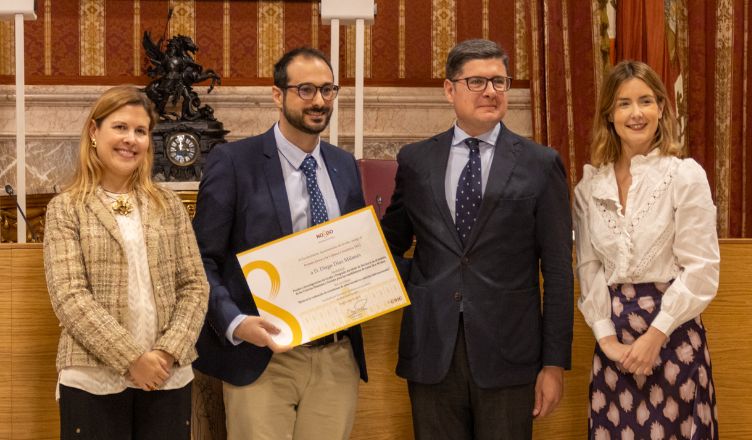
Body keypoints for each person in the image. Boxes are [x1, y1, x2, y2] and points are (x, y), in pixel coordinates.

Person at [380, 39, 574, 440]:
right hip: (433, 352)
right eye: (476, 81)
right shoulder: (416, 161)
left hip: (510, 356)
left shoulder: (541, 164)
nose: (490, 91)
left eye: (499, 81)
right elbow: (388, 244)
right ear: (449, 89)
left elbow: (557, 273)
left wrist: (554, 364)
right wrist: (421, 279)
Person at [192, 47, 367, 440]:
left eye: (328, 90)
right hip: (262, 356)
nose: (319, 101)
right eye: (305, 90)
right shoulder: (234, 162)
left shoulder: (344, 167)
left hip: (336, 357)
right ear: (278, 95)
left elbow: (356, 252)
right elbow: (201, 259)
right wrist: (235, 323)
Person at [43, 85, 209, 440]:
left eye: (141, 131)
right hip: (92, 378)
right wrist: (133, 359)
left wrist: (167, 352)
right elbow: (70, 297)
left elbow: (194, 285)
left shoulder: (168, 204)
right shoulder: (66, 207)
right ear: (94, 131)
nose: (130, 139)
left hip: (167, 376)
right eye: (120, 127)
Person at [574, 60, 719, 439]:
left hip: (672, 338)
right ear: (609, 113)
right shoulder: (590, 188)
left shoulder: (684, 176)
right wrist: (606, 338)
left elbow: (701, 270)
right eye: (623, 103)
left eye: (645, 101)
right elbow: (589, 268)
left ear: (661, 108)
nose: (635, 113)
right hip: (614, 345)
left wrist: (655, 336)